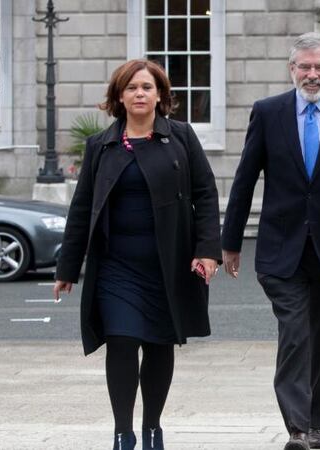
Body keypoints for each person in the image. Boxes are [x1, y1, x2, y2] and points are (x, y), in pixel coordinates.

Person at [53, 59, 222, 450]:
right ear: (119, 97)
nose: (140, 94)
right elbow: (82, 209)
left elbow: (205, 194)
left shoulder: (180, 137)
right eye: (131, 88)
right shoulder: (102, 145)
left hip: (168, 264)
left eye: (147, 87)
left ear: (160, 95)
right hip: (116, 266)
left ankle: (151, 428)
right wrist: (67, 268)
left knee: (160, 345)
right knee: (123, 341)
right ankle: (122, 432)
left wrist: (207, 250)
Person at [221, 32, 320, 450]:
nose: (312, 74)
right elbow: (244, 180)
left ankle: (317, 422)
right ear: (292, 69)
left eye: (319, 67)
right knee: (296, 332)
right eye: (304, 66)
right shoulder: (268, 113)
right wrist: (230, 241)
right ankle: (296, 426)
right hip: (280, 248)